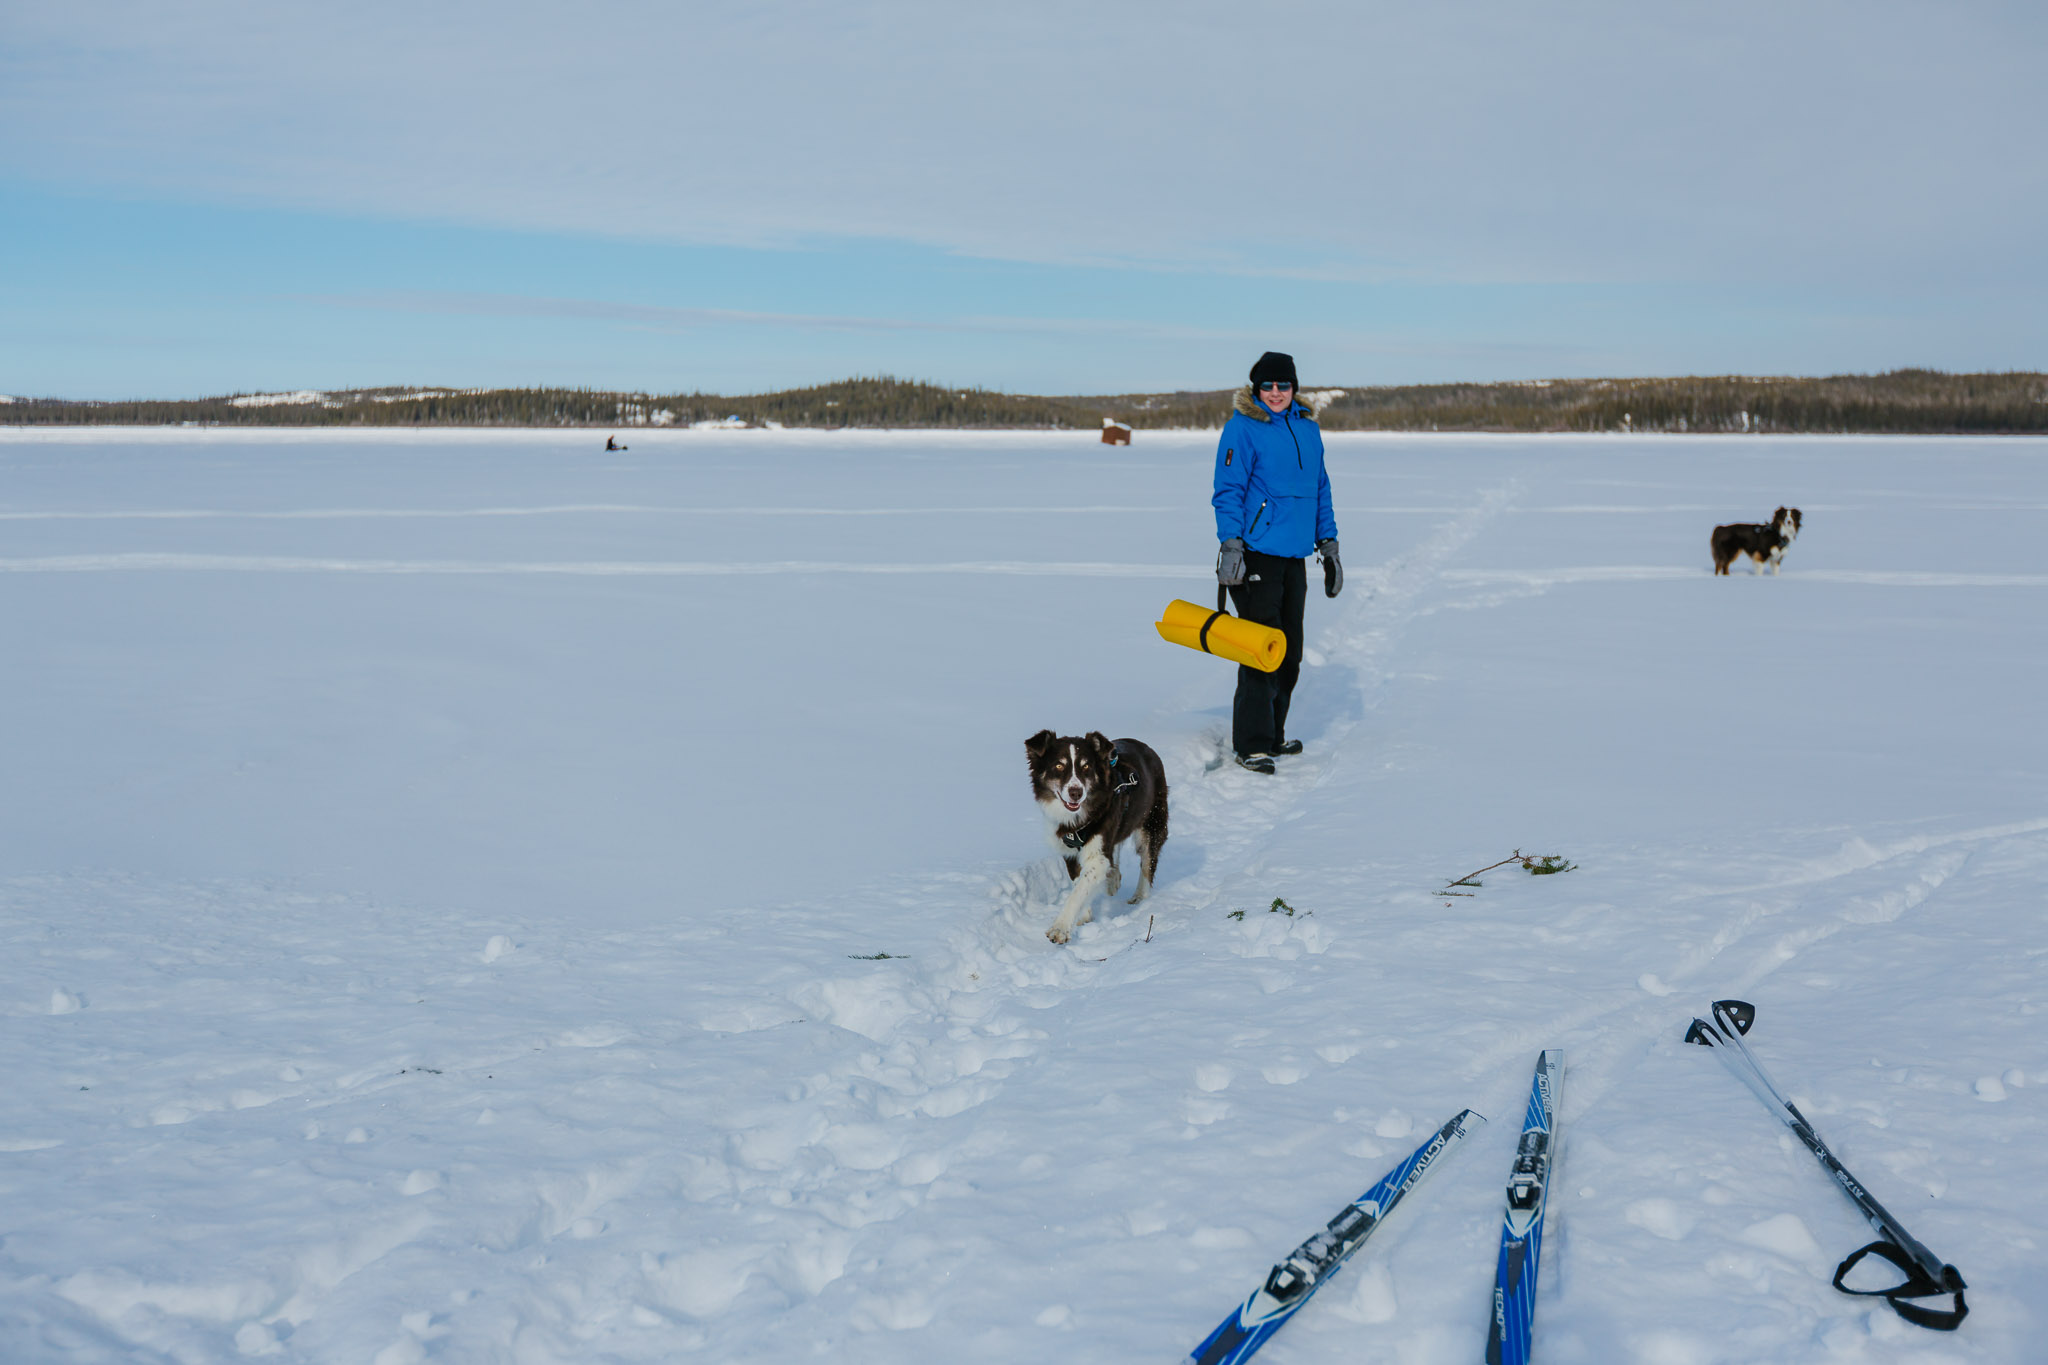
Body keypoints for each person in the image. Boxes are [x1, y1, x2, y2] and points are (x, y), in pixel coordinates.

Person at [1211, 351, 1342, 774]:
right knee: (1260, 650)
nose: (1275, 393)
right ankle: (1250, 744)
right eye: (1267, 385)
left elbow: (1320, 488)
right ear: (1256, 388)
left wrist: (1330, 545)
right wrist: (1231, 544)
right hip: (1256, 555)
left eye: (1282, 385)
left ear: (1294, 388)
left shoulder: (1309, 429)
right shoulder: (1242, 428)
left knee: (1290, 653)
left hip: (1295, 557)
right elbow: (1228, 489)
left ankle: (1273, 734)